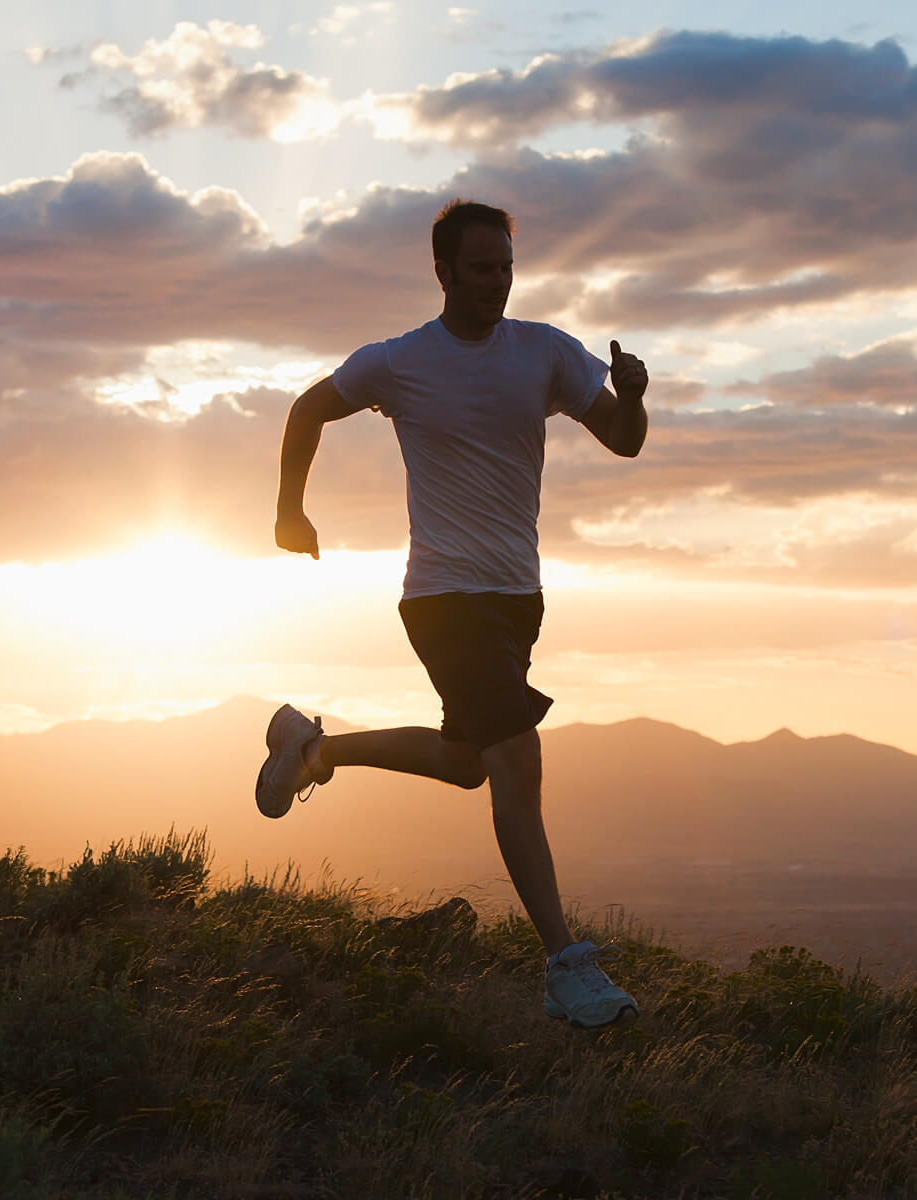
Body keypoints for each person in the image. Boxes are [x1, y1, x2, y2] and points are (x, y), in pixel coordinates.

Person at [258, 198, 649, 1029]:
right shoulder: (400, 363)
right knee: (518, 760)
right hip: (441, 595)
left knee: (469, 762)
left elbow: (621, 439)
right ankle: (565, 967)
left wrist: (634, 396)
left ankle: (314, 747)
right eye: (480, 269)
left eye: (506, 268)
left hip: (517, 600)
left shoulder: (545, 353)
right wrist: (289, 510)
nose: (497, 284)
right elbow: (306, 409)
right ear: (442, 271)